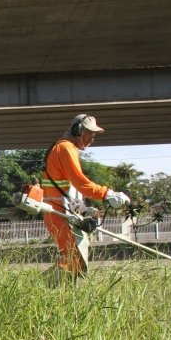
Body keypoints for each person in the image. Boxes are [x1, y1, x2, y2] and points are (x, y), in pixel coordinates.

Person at [41, 114, 130, 284]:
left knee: (75, 261)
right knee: (73, 259)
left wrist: (84, 209)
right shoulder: (65, 148)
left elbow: (69, 188)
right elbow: (81, 183)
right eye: (90, 134)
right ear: (79, 130)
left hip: (63, 212)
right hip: (60, 214)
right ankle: (39, 291)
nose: (92, 139)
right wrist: (108, 194)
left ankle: (61, 296)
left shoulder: (65, 148)